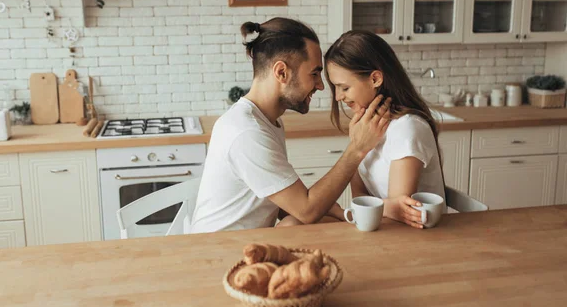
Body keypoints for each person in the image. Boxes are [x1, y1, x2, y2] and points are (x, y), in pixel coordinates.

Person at [190, 18, 391, 233]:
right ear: (281, 73)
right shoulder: (248, 132)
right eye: (314, 73)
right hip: (218, 254)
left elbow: (286, 203)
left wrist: (340, 214)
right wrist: (357, 148)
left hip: (240, 245)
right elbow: (306, 209)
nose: (321, 86)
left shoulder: (265, 121)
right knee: (299, 223)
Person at [324, 30, 446, 229]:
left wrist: (342, 212)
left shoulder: (407, 128)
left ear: (375, 79)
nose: (338, 97)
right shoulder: (366, 126)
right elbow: (361, 198)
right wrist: (357, 145)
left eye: (344, 88)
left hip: (411, 237)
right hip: (381, 227)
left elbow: (399, 212)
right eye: (335, 87)